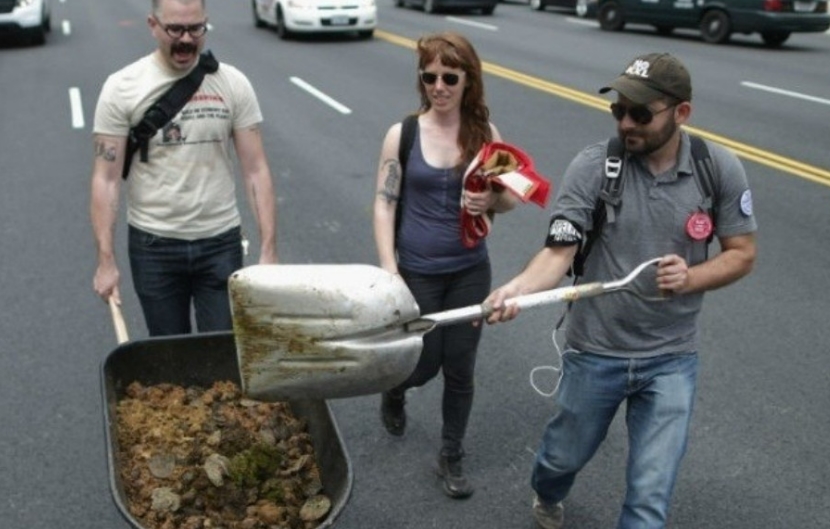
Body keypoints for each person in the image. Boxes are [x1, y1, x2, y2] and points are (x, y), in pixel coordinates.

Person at [483, 53, 757, 528]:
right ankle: (547, 492)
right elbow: (558, 253)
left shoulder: (718, 168)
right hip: (595, 352)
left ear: (681, 113)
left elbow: (742, 253)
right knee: (561, 460)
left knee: (650, 495)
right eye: (619, 111)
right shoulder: (594, 167)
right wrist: (516, 290)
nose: (626, 122)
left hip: (672, 358)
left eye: (641, 113)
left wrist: (691, 278)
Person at [372, 31, 518, 499]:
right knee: (422, 365)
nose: (438, 86)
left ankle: (451, 455)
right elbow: (383, 203)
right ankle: (395, 390)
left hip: (469, 270)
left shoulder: (486, 136)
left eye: (449, 77)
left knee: (459, 368)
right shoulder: (404, 134)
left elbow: (513, 199)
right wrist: (389, 269)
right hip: (416, 270)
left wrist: (490, 197)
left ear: (467, 80)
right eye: (429, 76)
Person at [90, 0, 277, 336]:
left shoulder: (233, 84)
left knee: (219, 358)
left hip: (220, 242)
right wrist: (106, 261)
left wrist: (269, 249)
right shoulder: (121, 88)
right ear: (152, 25)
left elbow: (256, 170)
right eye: (175, 29)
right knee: (170, 360)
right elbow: (105, 181)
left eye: (196, 29)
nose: (187, 40)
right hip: (154, 247)